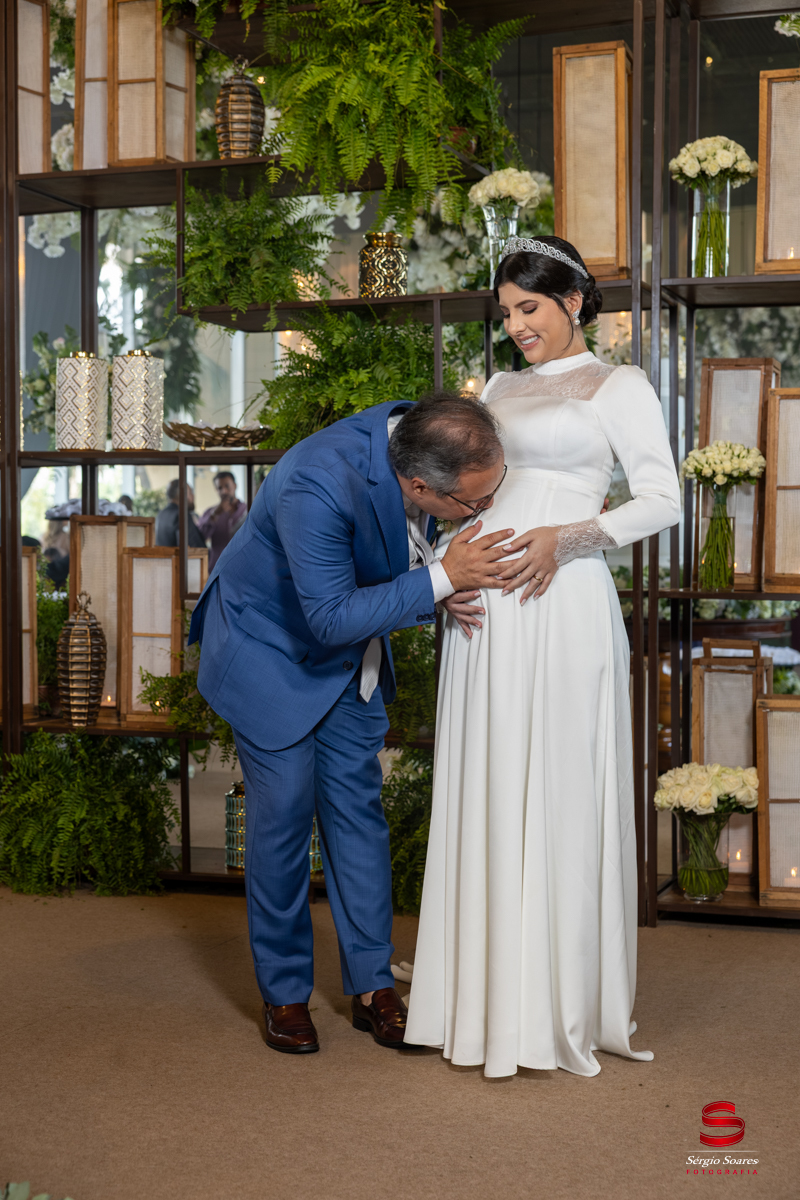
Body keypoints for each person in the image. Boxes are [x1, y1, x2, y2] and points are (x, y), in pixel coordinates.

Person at [404, 236, 681, 1078]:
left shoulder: (620, 385)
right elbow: (464, 495)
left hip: (563, 605)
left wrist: (568, 539)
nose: (516, 326)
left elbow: (662, 500)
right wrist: (440, 572)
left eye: (529, 308)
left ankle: (553, 1005)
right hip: (483, 607)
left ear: (574, 301)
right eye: (506, 312)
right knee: (488, 781)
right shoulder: (496, 388)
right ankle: (483, 1001)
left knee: (558, 784)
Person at [188, 393, 513, 1055]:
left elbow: (390, 552)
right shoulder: (316, 480)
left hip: (346, 657)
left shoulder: (415, 439)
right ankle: (284, 992)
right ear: (420, 485)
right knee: (283, 818)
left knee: (359, 815)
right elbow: (330, 616)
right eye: (476, 502)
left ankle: (372, 986)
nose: (484, 509)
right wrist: (441, 580)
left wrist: (436, 587)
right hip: (270, 650)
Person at [196, 471, 248, 570]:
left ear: (235, 486)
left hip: (242, 567)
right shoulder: (210, 512)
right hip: (217, 568)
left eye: (227, 486)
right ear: (216, 490)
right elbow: (199, 538)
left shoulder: (247, 510)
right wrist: (214, 515)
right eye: (220, 488)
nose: (224, 491)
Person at [155, 479, 207, 548]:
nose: (193, 496)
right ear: (182, 494)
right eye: (190, 493)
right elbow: (193, 548)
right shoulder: (182, 515)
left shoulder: (160, 515)